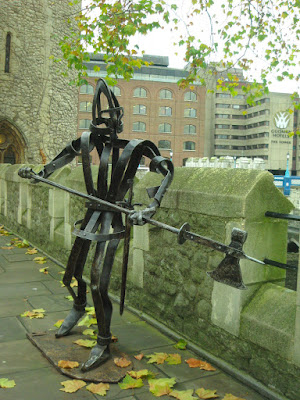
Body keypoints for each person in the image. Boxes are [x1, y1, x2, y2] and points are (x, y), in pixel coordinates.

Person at [18, 78, 174, 371]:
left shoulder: (138, 147)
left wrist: (151, 207)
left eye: (108, 119)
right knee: (71, 273)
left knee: (99, 282)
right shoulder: (86, 142)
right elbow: (62, 158)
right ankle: (78, 307)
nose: (102, 125)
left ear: (118, 119)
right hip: (90, 215)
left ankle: (102, 340)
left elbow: (166, 170)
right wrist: (38, 173)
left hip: (113, 218)